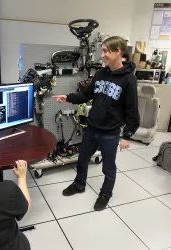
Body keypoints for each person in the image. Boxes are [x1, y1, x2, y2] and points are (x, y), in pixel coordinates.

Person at [53, 36, 140, 211]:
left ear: (118, 51)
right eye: (103, 50)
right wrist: (68, 97)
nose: (103, 55)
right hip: (92, 128)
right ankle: (79, 185)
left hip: (110, 133)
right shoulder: (100, 73)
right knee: (82, 160)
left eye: (107, 50)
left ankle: (106, 194)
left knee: (108, 168)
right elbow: (86, 95)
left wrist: (127, 135)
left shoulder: (129, 80)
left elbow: (132, 111)